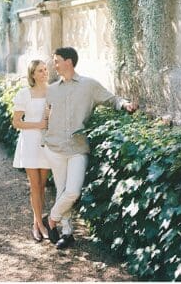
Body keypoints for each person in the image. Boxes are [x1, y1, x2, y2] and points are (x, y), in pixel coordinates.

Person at [42, 47, 137, 249]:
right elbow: (45, 116)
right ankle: (66, 233)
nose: (54, 64)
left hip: (77, 147)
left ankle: (51, 219)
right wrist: (44, 138)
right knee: (61, 191)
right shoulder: (51, 89)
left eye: (57, 60)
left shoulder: (89, 85)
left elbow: (111, 99)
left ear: (69, 62)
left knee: (72, 192)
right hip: (54, 147)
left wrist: (125, 104)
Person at [11, 59, 53, 242]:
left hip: (46, 144)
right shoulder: (24, 94)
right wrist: (38, 124)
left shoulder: (53, 92)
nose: (44, 73)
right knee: (34, 185)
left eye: (45, 70)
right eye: (40, 71)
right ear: (33, 74)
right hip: (29, 142)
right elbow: (16, 122)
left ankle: (37, 223)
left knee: (43, 185)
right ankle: (40, 225)